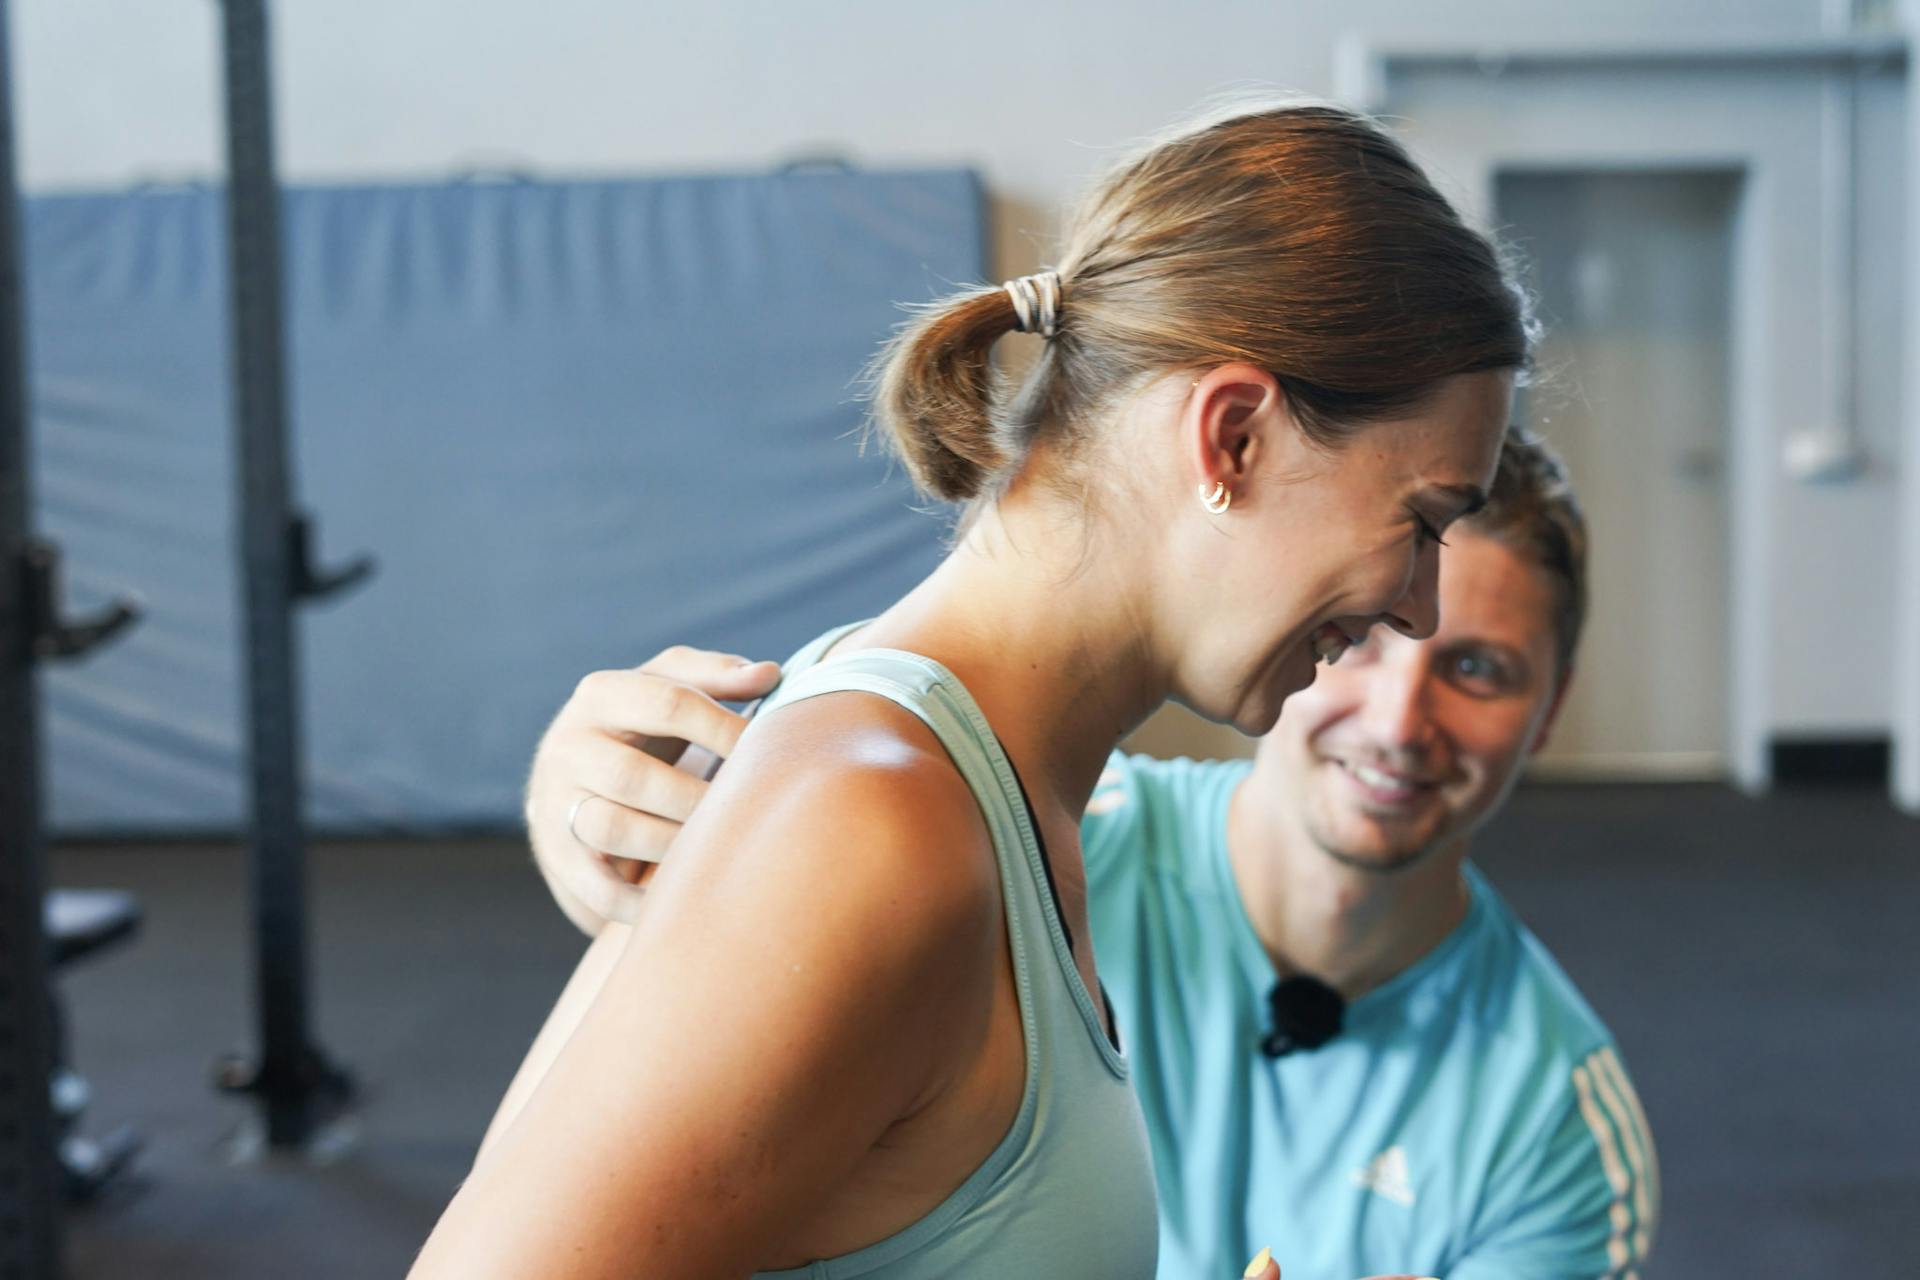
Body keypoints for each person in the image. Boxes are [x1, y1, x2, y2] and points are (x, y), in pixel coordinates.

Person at [413, 99, 1524, 1280]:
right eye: (1420, 524)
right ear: (1234, 435)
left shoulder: (986, 797)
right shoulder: (881, 823)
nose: (1420, 605)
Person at [524, 429, 1658, 1280]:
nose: (1400, 719)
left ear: (1549, 711)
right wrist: (613, 839)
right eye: (1365, 636)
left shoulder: (1552, 1120)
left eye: (1477, 671)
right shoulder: (1004, 846)